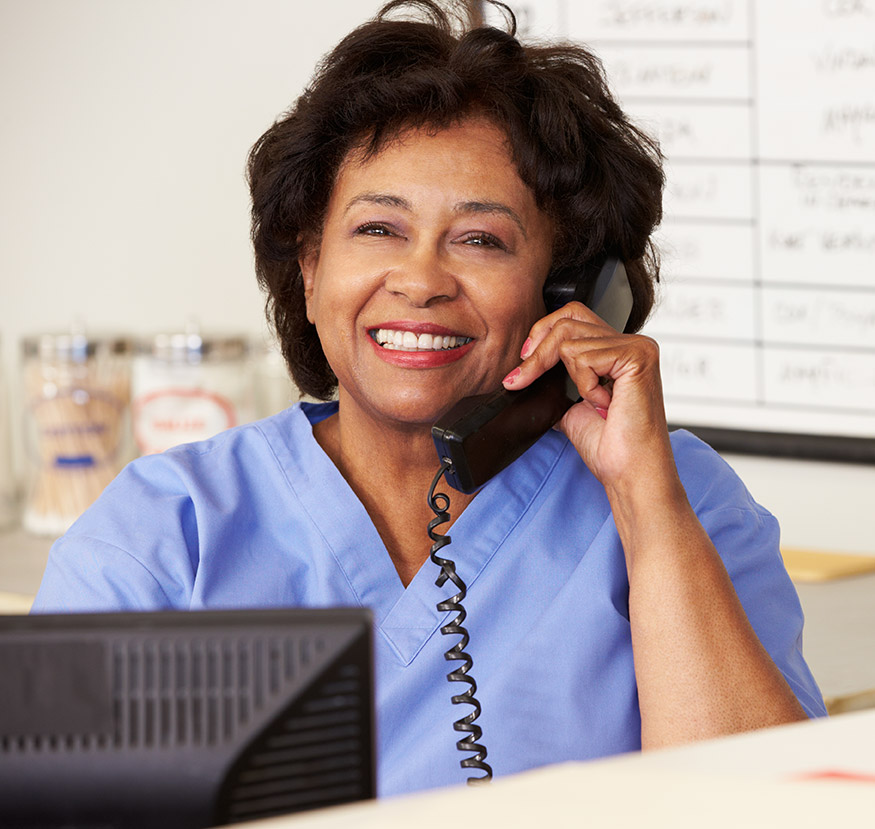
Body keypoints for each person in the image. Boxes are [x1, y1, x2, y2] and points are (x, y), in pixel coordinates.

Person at [33, 0, 825, 797]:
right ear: (308, 268)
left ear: (566, 293)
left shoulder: (679, 500)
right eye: (377, 228)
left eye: (481, 239)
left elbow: (767, 806)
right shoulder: (163, 536)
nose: (418, 280)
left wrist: (646, 508)